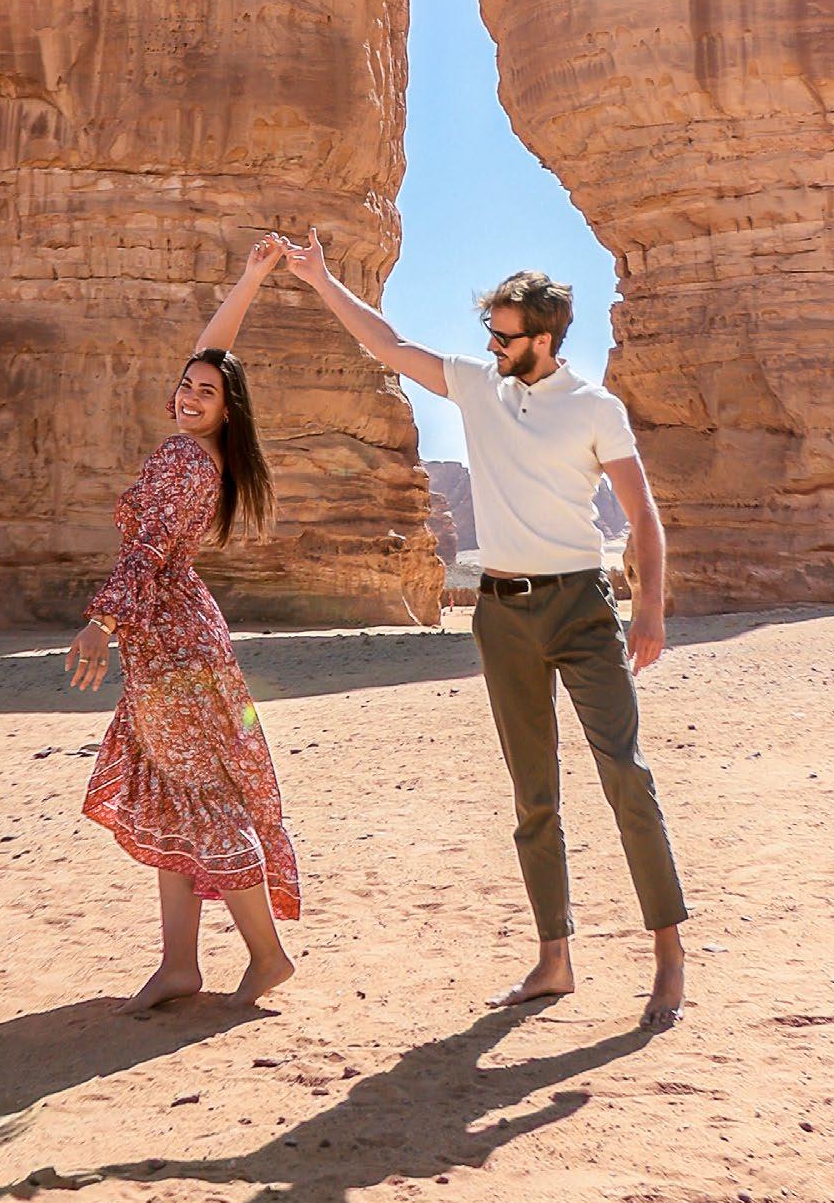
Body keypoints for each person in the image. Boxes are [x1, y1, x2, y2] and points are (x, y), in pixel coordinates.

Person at [279, 230, 688, 1031]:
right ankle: (554, 959)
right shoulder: (477, 385)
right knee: (534, 795)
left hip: (580, 608)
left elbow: (643, 513)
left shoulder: (594, 407)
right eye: (489, 333)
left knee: (624, 774)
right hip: (501, 614)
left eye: (505, 336)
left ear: (544, 338)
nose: (492, 346)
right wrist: (321, 278)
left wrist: (650, 607)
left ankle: (669, 955)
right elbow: (389, 343)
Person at [66, 238, 301, 1012]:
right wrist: (252, 277)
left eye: (207, 392)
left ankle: (267, 953)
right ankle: (179, 965)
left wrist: (102, 622)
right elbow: (213, 353)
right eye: (185, 385)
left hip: (173, 647)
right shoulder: (209, 455)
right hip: (178, 638)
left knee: (199, 793)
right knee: (174, 791)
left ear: (227, 409)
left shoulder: (183, 461)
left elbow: (147, 551)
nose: (190, 394)